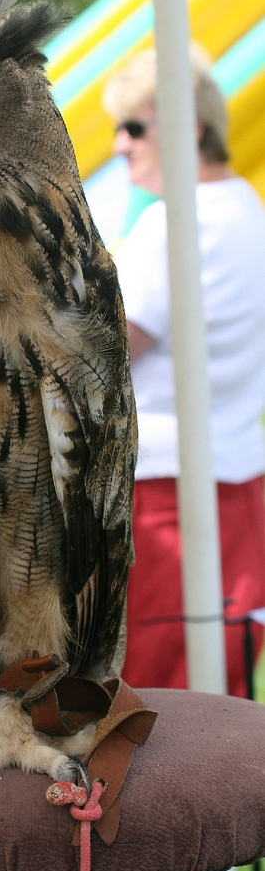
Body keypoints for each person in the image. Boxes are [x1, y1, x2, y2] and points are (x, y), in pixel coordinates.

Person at [102, 45, 265, 699]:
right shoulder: (246, 207)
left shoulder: (180, 224)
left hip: (168, 498)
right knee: (220, 705)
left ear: (189, 126)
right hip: (235, 483)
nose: (119, 144)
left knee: (161, 715)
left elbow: (99, 352)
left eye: (135, 126)